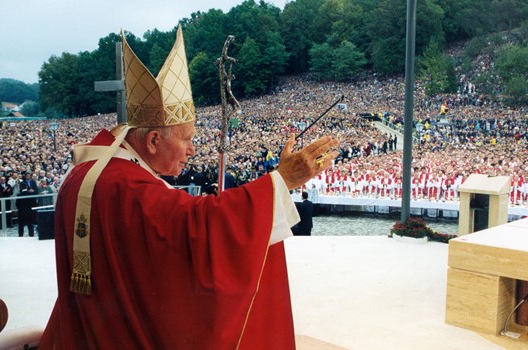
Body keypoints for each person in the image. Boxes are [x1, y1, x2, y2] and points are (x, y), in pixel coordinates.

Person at [39, 26, 339, 349]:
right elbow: (197, 229)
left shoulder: (84, 174)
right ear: (153, 140)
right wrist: (281, 182)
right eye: (187, 138)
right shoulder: (130, 191)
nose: (192, 149)